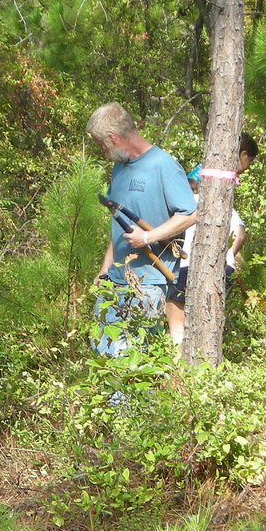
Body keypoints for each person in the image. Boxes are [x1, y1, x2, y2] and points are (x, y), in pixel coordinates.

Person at [87, 102, 197, 356]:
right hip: (115, 280)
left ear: (114, 138)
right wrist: (105, 267)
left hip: (149, 283)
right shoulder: (121, 167)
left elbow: (190, 214)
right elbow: (118, 222)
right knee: (104, 350)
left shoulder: (163, 165)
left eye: (102, 145)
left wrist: (148, 236)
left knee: (133, 355)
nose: (102, 151)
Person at [165, 132, 258, 346]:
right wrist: (229, 255)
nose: (248, 167)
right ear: (242, 154)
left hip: (184, 266)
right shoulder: (219, 201)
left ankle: (178, 372)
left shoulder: (183, 205)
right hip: (221, 270)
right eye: (249, 161)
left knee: (177, 328)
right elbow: (240, 233)